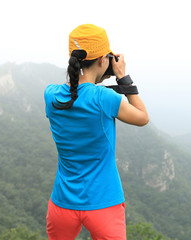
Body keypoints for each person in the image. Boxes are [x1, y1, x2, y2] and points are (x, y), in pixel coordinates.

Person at [44, 24, 149, 240]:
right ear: (103, 60)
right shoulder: (105, 99)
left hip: (62, 203)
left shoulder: (51, 95)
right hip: (104, 203)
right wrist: (122, 77)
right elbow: (142, 118)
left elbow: (76, 93)